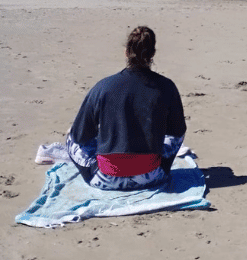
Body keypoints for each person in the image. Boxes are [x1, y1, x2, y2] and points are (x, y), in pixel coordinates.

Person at [66, 26, 186, 190]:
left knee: (71, 135)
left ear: (126, 52)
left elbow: (80, 135)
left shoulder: (103, 87)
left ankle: (104, 170)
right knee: (176, 136)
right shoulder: (166, 86)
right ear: (152, 54)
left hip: (106, 178)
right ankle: (157, 166)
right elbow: (177, 130)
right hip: (151, 175)